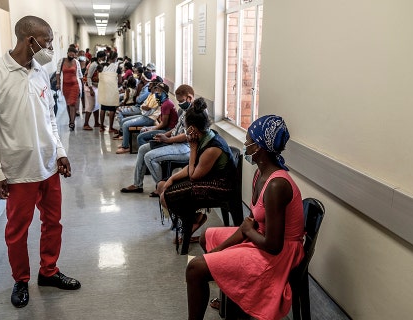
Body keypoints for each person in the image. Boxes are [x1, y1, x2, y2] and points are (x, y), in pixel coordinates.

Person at [0, 15, 81, 309]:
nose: (50, 47)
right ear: (29, 40)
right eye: (47, 41)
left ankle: (49, 271)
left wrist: (60, 152)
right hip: (18, 170)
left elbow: (49, 119)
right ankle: (21, 280)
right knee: (17, 231)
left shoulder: (39, 72)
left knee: (53, 222)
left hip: (48, 165)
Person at [184, 115, 303, 320]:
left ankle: (236, 294)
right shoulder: (261, 173)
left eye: (249, 140)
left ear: (260, 147)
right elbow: (250, 224)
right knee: (207, 237)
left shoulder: (276, 185)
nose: (246, 144)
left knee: (195, 269)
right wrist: (219, 251)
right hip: (261, 239)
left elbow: (274, 245)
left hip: (278, 254)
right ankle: (232, 291)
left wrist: (247, 231)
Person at [157, 101, 235, 242]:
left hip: (220, 186)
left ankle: (193, 221)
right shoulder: (202, 136)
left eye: (185, 126)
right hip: (206, 177)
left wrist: (192, 148)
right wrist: (172, 179)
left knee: (166, 196)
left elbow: (193, 176)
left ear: (191, 127)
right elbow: (192, 167)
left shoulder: (212, 147)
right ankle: (193, 219)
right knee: (161, 186)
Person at [120, 85, 195, 196]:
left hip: (185, 147)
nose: (180, 103)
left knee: (149, 157)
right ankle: (137, 184)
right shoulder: (184, 110)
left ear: (189, 97)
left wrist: (168, 140)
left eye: (182, 101)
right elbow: (175, 129)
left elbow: (187, 135)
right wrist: (163, 136)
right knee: (142, 149)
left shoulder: (195, 113)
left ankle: (163, 188)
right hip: (174, 141)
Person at [135, 81, 178, 147]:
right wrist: (152, 128)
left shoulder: (166, 104)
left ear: (164, 93)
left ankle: (148, 152)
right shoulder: (165, 103)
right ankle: (147, 149)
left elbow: (164, 124)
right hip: (166, 128)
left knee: (140, 137)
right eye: (156, 90)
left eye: (159, 91)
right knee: (143, 130)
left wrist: (152, 129)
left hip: (168, 130)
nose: (157, 93)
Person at [56, 45, 83, 130]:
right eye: (70, 53)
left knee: (72, 104)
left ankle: (72, 122)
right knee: (68, 104)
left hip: (75, 85)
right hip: (65, 86)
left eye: (73, 54)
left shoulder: (76, 62)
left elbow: (79, 74)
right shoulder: (62, 61)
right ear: (67, 53)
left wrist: (82, 85)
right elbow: (58, 72)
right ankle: (71, 120)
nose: (72, 55)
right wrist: (58, 83)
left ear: (75, 55)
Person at [98, 51, 122, 133]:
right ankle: (110, 128)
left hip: (103, 88)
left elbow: (99, 77)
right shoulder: (117, 67)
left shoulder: (102, 66)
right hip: (112, 89)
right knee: (112, 108)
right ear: (115, 58)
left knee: (103, 107)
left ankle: (101, 127)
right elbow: (120, 81)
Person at [83, 55, 104, 130]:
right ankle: (85, 124)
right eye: (103, 57)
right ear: (100, 57)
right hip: (90, 87)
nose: (104, 59)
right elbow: (88, 77)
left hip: (95, 86)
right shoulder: (93, 65)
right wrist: (91, 89)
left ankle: (96, 122)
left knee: (97, 105)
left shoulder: (97, 64)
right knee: (91, 105)